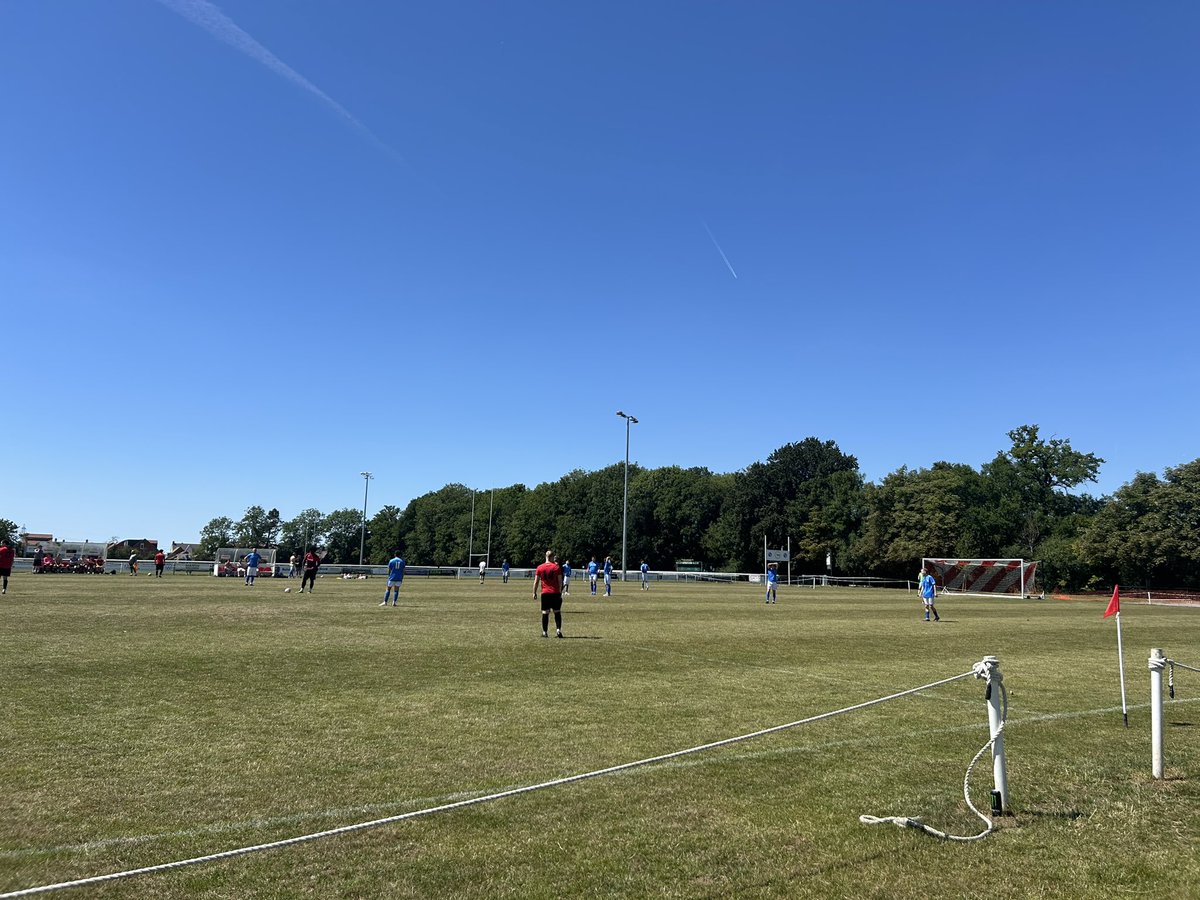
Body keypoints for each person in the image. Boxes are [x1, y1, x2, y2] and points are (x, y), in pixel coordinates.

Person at [533, 549, 564, 638]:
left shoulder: (540, 567)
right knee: (557, 612)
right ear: (551, 557)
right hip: (555, 592)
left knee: (545, 612)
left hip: (545, 593)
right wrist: (560, 592)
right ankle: (558, 630)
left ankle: (545, 632)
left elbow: (536, 582)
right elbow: (560, 581)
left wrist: (534, 592)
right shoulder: (556, 567)